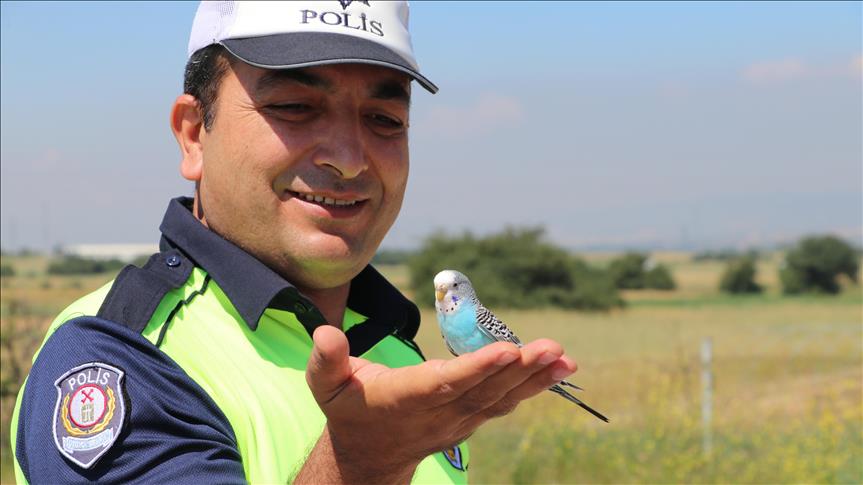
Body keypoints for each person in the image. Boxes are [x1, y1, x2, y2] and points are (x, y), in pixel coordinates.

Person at [10, 2, 580, 483]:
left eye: (384, 118)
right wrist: (361, 467)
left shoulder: (398, 350)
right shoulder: (116, 358)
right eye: (294, 107)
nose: (349, 158)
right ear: (193, 135)